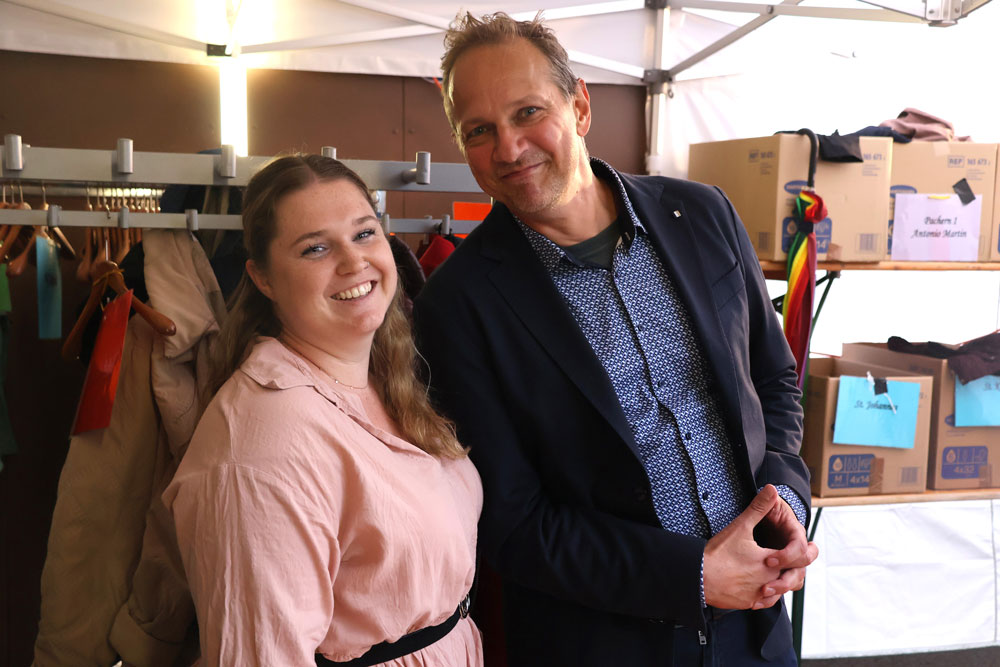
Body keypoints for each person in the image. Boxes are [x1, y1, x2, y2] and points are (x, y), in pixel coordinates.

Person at [411, 12, 818, 666]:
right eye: (479, 130)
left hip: (760, 628)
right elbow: (513, 522)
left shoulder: (705, 214)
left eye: (528, 112)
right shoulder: (457, 306)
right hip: (607, 640)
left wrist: (784, 500)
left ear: (580, 105)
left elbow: (773, 382)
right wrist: (691, 575)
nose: (510, 148)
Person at [163, 155, 483, 667]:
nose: (354, 262)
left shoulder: (382, 376)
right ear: (263, 278)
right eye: (315, 248)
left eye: (363, 234)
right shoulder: (263, 444)